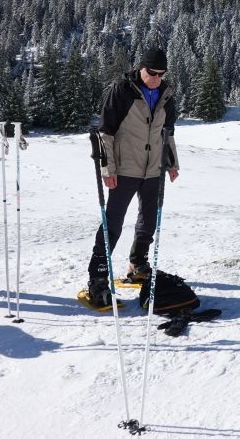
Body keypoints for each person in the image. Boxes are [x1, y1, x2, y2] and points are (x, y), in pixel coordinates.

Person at [86, 47, 180, 307]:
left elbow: (167, 132)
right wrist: (108, 169)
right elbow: (105, 132)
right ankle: (98, 277)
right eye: (152, 73)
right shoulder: (122, 90)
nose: (156, 78)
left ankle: (137, 264)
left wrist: (171, 164)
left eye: (161, 74)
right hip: (125, 168)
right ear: (142, 68)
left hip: (153, 170)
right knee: (113, 223)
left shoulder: (166, 94)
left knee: (148, 221)